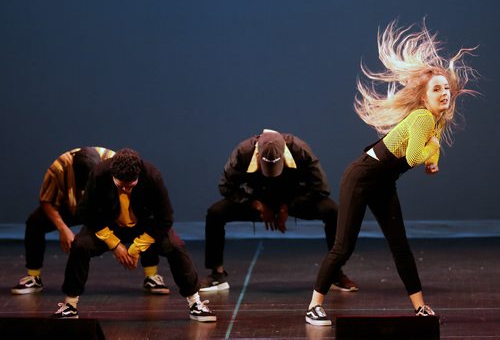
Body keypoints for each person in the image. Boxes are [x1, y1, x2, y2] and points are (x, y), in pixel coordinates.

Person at [305, 19, 477, 326]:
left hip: (384, 181)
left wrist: (433, 158)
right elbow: (413, 155)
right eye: (437, 89)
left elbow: (428, 148)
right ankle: (314, 306)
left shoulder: (435, 122)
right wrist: (428, 154)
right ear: (424, 98)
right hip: (363, 176)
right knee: (344, 246)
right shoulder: (424, 117)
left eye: (446, 89)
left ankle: (420, 307)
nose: (444, 93)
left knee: (400, 244)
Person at [51, 148, 216, 322]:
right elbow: (86, 213)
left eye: (130, 186)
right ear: (113, 175)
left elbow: (165, 218)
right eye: (120, 185)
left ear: (138, 176)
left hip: (143, 225)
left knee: (175, 246)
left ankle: (195, 304)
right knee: (80, 245)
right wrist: (114, 243)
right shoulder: (99, 174)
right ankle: (70, 305)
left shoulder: (153, 176)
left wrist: (137, 247)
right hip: (110, 225)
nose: (126, 190)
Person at [200, 129, 358, 292]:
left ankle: (335, 273)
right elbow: (225, 186)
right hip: (257, 200)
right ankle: (216, 274)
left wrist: (287, 206)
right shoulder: (243, 152)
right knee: (215, 213)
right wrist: (256, 204)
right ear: (257, 157)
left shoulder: (300, 150)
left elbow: (321, 187)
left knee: (332, 211)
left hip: (292, 200)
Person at [11, 147, 169, 296]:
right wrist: (63, 228)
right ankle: (33, 276)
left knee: (146, 219)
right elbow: (46, 200)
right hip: (71, 207)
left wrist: (121, 242)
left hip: (104, 209)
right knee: (34, 222)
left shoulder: (115, 162)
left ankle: (151, 275)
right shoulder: (59, 168)